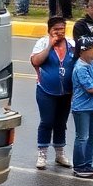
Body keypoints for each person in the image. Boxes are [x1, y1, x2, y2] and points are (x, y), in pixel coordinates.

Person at [30, 16, 75, 170]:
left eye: (62, 29)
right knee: (47, 121)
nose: (59, 32)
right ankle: (42, 154)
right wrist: (50, 45)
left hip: (66, 92)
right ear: (49, 30)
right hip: (45, 90)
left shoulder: (71, 43)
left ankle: (60, 153)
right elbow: (36, 61)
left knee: (61, 123)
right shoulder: (42, 42)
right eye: (56, 29)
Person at [70, 35, 93, 178]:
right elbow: (90, 88)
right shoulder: (80, 67)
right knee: (82, 137)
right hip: (82, 108)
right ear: (84, 51)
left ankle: (87, 163)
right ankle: (79, 166)